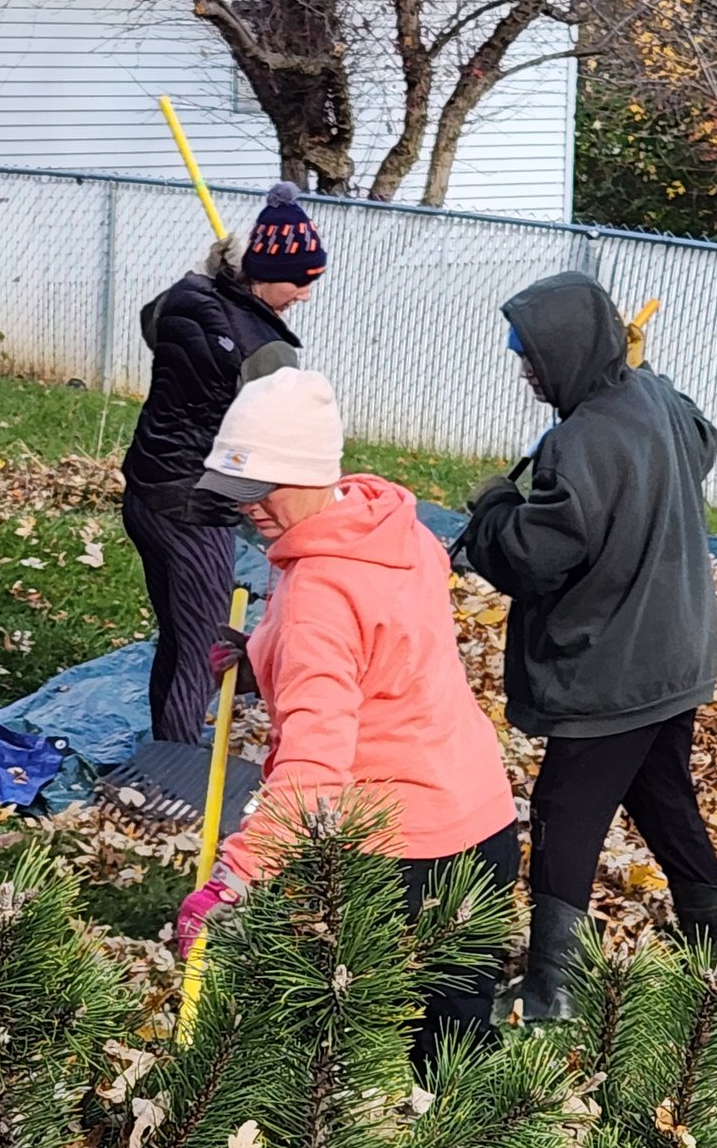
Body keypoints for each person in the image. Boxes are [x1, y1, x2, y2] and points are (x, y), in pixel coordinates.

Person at [171, 369, 519, 1057]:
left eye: (264, 485)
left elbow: (314, 771)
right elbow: (384, 650)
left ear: (305, 470)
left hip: (395, 857)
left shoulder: (316, 595)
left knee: (318, 1056)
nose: (250, 508)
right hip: (482, 824)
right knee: (456, 1053)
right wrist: (262, 660)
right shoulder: (389, 528)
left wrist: (235, 877)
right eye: (240, 490)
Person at [457, 270, 717, 1023]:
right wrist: (649, 371)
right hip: (676, 651)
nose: (525, 370)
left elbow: (531, 558)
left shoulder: (580, 444)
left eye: (534, 357)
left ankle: (553, 993)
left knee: (563, 810)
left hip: (614, 665)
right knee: (661, 792)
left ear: (572, 353)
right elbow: (702, 436)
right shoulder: (651, 399)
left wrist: (492, 510)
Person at [122, 182, 322, 745]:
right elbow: (284, 441)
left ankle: (167, 739)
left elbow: (151, 326)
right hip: (195, 510)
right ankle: (177, 765)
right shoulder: (267, 352)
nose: (305, 296)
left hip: (145, 490)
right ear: (262, 272)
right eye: (300, 282)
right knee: (204, 646)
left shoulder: (185, 296)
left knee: (177, 633)